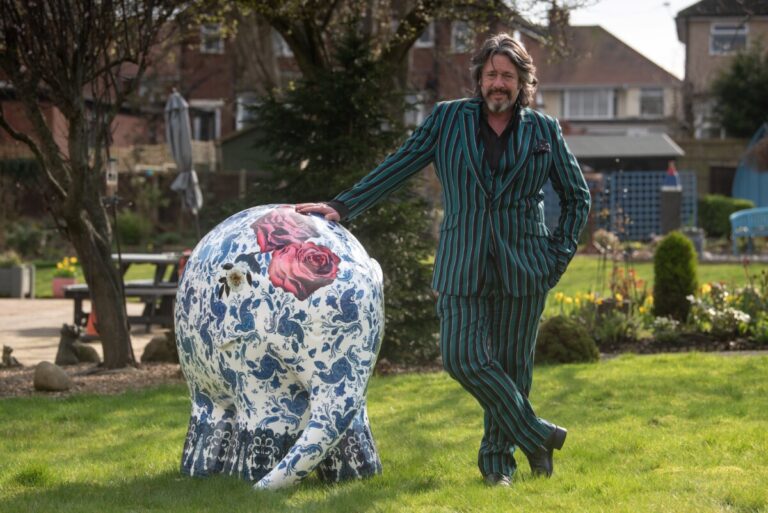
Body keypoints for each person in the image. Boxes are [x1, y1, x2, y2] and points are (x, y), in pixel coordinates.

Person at [296, 32, 590, 486]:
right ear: (479, 78)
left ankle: (498, 466)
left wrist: (556, 256)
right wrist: (344, 206)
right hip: (461, 263)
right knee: (460, 358)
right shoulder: (448, 120)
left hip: (526, 265)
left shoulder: (543, 130)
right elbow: (403, 162)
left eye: (508, 76)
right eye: (491, 74)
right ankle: (537, 435)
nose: (498, 83)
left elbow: (577, 197)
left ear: (522, 82)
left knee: (512, 368)